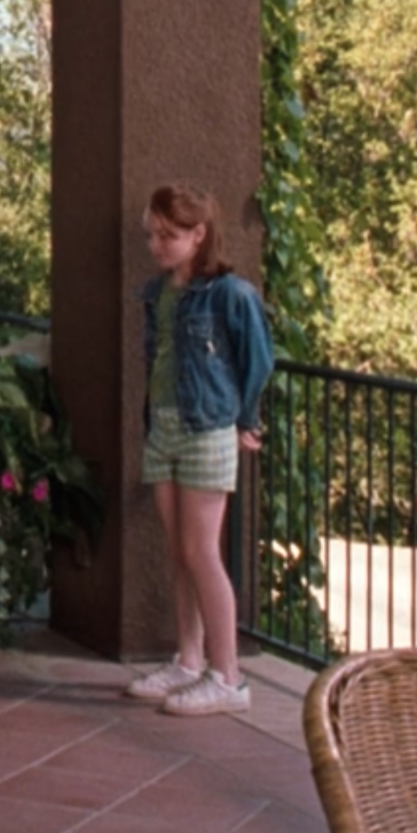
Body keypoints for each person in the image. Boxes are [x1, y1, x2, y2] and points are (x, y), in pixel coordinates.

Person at [121, 184, 275, 716]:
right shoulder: (159, 292)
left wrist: (247, 418)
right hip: (164, 428)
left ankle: (228, 678)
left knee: (202, 552)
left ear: (199, 234)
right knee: (179, 552)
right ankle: (188, 661)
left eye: (168, 235)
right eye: (152, 235)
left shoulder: (230, 294)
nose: (156, 245)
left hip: (207, 429)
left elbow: (259, 358)